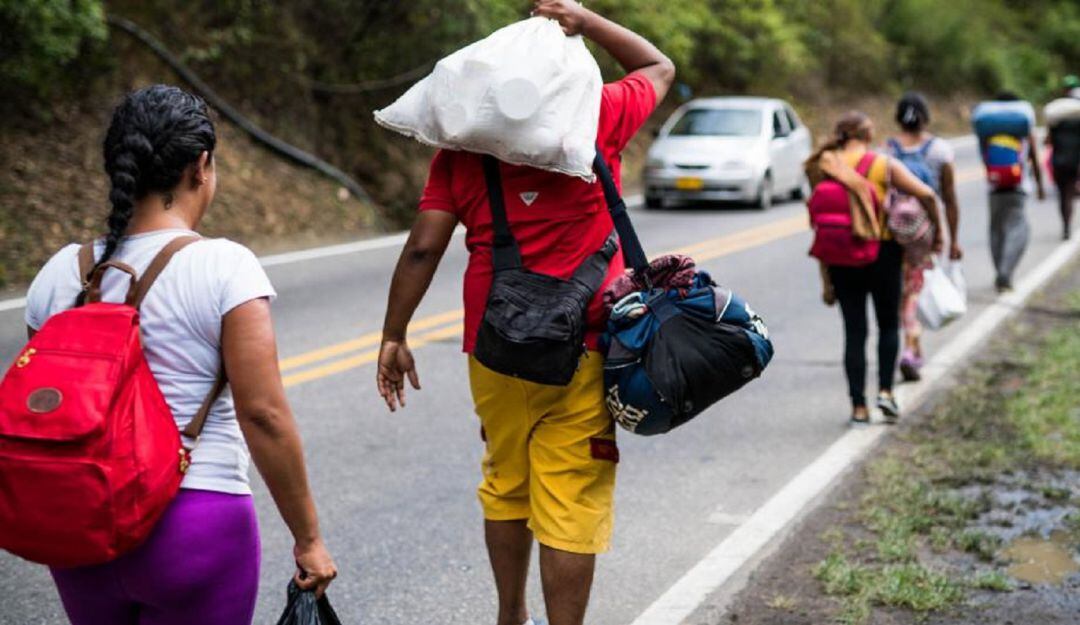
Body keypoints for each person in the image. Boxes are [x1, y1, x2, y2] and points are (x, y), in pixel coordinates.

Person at [375, 2, 674, 624]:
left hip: (495, 350)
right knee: (570, 497)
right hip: (586, 349)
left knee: (505, 484)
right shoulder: (599, 118)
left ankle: (510, 616)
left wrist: (394, 334)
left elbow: (423, 246)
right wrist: (585, 20)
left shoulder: (462, 150)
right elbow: (658, 65)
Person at [24, 85, 336, 625]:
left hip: (81, 526)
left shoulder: (59, 271)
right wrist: (309, 539)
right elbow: (262, 414)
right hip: (193, 520)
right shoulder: (224, 267)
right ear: (201, 166)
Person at [807, 112, 942, 425]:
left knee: (854, 332)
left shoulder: (822, 164)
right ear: (867, 135)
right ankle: (885, 393)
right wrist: (937, 234)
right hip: (882, 252)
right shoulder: (882, 164)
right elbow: (927, 194)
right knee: (887, 326)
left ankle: (858, 407)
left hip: (840, 256)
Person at [887, 92, 963, 381]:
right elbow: (950, 199)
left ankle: (911, 347)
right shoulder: (940, 151)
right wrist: (951, 239)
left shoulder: (888, 150)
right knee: (915, 290)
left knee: (900, 290)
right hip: (922, 232)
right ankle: (910, 348)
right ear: (926, 116)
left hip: (891, 231)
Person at [975, 92, 1045, 292]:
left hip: (994, 187)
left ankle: (1000, 270)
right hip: (1018, 187)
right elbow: (1034, 158)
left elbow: (983, 157)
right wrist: (1039, 185)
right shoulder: (1021, 127)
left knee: (996, 230)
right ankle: (1006, 272)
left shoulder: (987, 128)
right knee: (1019, 229)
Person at [1046, 78, 1080, 239]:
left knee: (1062, 195)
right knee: (1068, 194)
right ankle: (1067, 223)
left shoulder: (1056, 120)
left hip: (1058, 162)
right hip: (1074, 162)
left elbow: (1048, 141)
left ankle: (1065, 224)